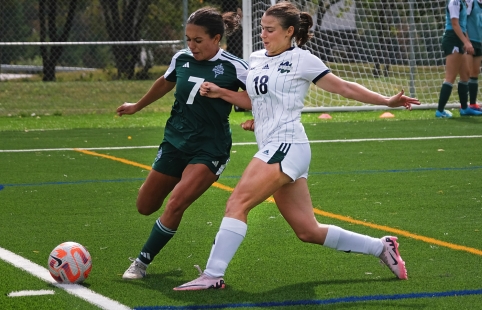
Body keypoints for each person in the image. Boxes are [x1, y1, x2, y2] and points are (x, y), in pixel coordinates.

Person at [174, 1, 420, 291]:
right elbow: (256, 101)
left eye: (270, 30)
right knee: (308, 230)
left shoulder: (303, 59)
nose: (264, 35)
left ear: (290, 31)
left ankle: (213, 275)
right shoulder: (255, 58)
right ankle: (382, 247)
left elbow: (345, 88)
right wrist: (224, 94)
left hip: (286, 145)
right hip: (275, 147)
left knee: (236, 203)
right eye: (262, 29)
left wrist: (386, 100)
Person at [115, 7, 249, 280]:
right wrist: (137, 106)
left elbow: (255, 98)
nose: (192, 45)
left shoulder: (236, 66)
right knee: (145, 206)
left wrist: (246, 109)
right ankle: (177, 178)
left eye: (198, 40)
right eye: (188, 39)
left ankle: (141, 262)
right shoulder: (182, 59)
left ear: (216, 38)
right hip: (175, 141)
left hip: (210, 147)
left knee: (176, 203)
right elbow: (165, 83)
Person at [436, 0, 482, 118]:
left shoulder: (462, 3)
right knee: (450, 77)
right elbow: (455, 24)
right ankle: (440, 110)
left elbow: (462, 26)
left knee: (465, 74)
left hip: (459, 40)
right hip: (452, 39)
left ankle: (465, 108)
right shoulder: (454, 2)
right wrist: (466, 41)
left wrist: (467, 42)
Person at [464, 0, 482, 111]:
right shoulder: (471, 2)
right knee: (466, 73)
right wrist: (466, 40)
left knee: (475, 72)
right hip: (470, 42)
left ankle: (473, 104)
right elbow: (463, 20)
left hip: (480, 42)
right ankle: (464, 105)